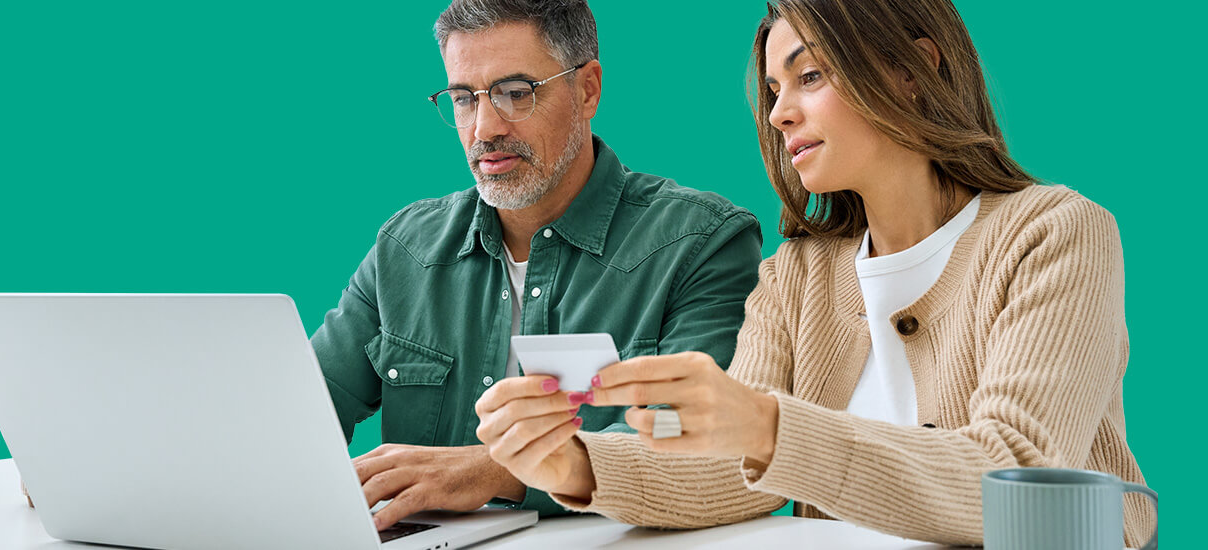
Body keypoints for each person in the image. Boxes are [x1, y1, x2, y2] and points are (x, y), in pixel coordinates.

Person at [473, 0, 1156, 545]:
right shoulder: (798, 272)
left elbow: (1019, 477)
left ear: (911, 71)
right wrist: (575, 463)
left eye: (810, 76)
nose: (778, 112)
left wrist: (770, 427)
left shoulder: (1054, 233)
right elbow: (736, 474)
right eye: (773, 89)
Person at [311, 0, 762, 530]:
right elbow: (298, 413)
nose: (484, 128)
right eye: (463, 99)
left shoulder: (700, 243)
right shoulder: (404, 248)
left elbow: (708, 443)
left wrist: (498, 469)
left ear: (588, 89)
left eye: (515, 93)